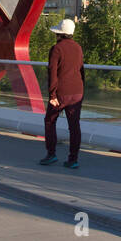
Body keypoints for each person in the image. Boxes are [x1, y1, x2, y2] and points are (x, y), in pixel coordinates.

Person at [39, 18, 85, 170]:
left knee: (50, 121)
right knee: (74, 126)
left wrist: (52, 96)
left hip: (61, 93)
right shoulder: (78, 48)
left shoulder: (56, 49)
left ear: (60, 34)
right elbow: (81, 71)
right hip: (77, 92)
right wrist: (82, 91)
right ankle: (73, 159)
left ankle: (51, 154)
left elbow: (52, 73)